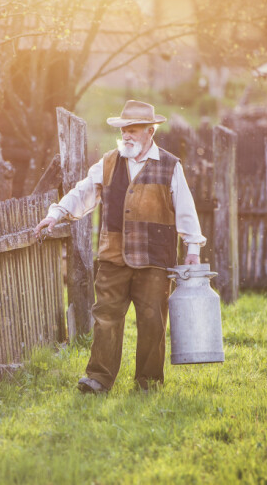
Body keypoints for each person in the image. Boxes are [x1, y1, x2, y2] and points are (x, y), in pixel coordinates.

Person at [33, 100, 205, 393]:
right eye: (124, 129)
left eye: (133, 130)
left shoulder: (170, 166)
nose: (126, 135)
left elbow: (186, 210)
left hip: (154, 259)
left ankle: (148, 383)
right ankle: (98, 379)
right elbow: (83, 192)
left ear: (150, 131)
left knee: (152, 321)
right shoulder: (109, 162)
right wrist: (56, 213)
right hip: (113, 257)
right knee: (105, 317)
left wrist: (193, 249)